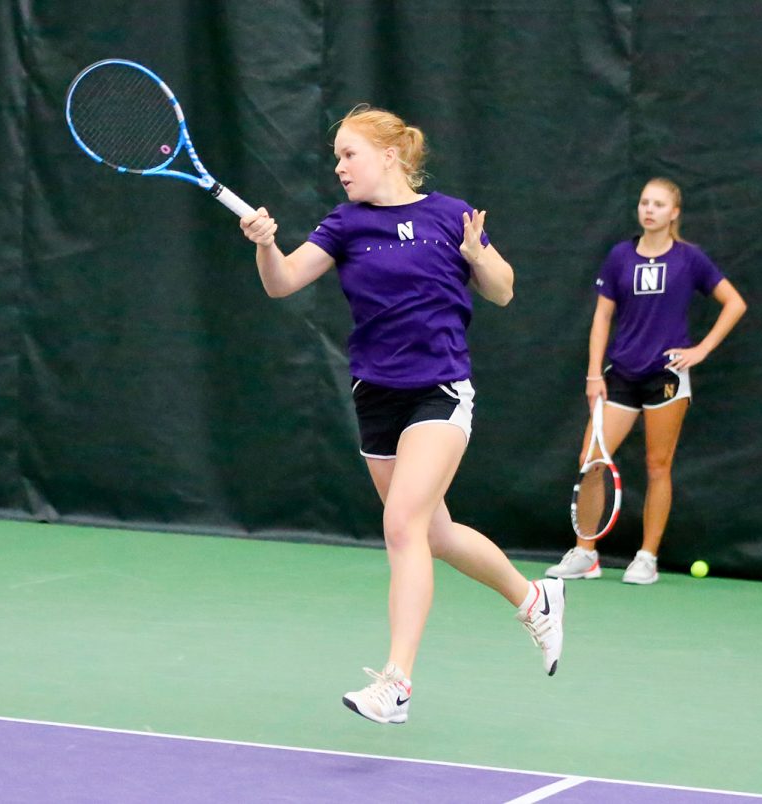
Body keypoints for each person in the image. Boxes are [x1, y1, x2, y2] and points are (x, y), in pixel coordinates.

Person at [239, 104, 565, 726]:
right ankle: (535, 599)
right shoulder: (343, 225)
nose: (339, 167)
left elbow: (503, 288)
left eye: (348, 154)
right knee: (432, 533)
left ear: (389, 155)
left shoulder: (450, 215)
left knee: (400, 527)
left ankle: (397, 683)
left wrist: (478, 254)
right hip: (376, 396)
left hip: (439, 389)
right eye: (337, 157)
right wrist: (265, 244)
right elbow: (281, 283)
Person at [547, 178, 747, 584]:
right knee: (592, 461)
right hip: (620, 374)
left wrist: (701, 350)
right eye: (644, 203)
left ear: (674, 213)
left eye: (658, 204)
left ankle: (646, 557)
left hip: (667, 379)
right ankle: (586, 553)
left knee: (659, 465)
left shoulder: (690, 259)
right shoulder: (620, 256)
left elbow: (734, 302)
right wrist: (592, 373)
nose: (649, 209)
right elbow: (602, 317)